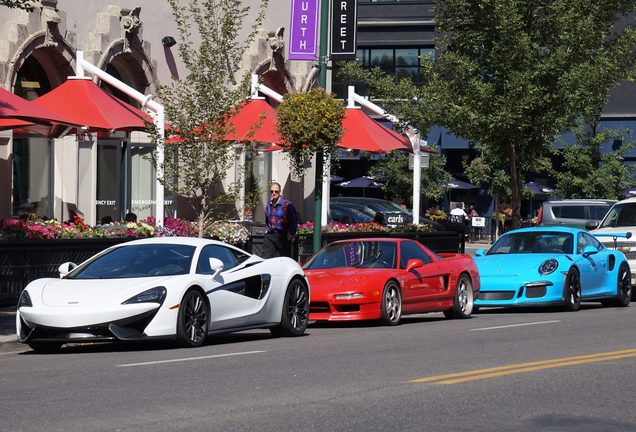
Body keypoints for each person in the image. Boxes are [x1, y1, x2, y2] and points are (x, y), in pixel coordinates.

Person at [263, 181, 297, 258]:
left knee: (282, 258)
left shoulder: (287, 205)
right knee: (265, 258)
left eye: (276, 191)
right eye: (272, 191)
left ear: (279, 191)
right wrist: (266, 230)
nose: (274, 193)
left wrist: (291, 234)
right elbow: (267, 219)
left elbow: (293, 221)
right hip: (270, 235)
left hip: (283, 235)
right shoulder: (268, 205)